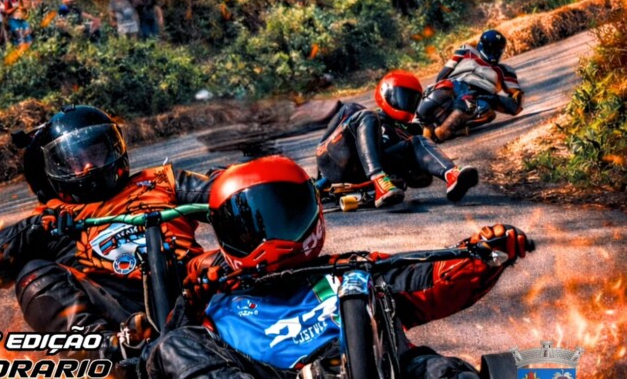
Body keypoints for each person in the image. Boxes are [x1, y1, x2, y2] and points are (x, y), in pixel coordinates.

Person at [147, 156, 530, 379]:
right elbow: (162, 354)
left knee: (440, 372)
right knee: (173, 345)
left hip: (384, 369)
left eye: (283, 215)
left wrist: (484, 256)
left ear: (311, 211)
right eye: (251, 225)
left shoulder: (352, 271)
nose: (268, 237)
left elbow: (427, 279)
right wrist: (189, 298)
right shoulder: (213, 296)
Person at [0, 105, 220, 378]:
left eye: (96, 153)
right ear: (56, 169)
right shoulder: (55, 216)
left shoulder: (160, 181)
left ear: (114, 147)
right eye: (75, 160)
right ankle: (111, 353)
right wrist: (37, 228)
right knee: (32, 273)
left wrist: (233, 180)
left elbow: (223, 192)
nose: (88, 166)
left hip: (196, 285)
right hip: (123, 314)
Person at [317, 70, 478, 206]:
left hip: (365, 174)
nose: (406, 103)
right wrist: (322, 180)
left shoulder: (406, 130)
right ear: (386, 93)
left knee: (418, 140)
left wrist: (405, 173)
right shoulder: (354, 110)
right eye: (402, 96)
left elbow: (420, 180)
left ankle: (452, 174)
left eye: (411, 100)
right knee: (367, 115)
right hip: (338, 161)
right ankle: (379, 181)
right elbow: (323, 146)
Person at [418, 29, 524, 142]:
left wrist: (493, 98)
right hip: (455, 85)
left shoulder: (505, 70)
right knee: (441, 90)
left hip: (476, 95)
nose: (494, 53)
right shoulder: (466, 50)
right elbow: (442, 76)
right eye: (491, 49)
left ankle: (443, 131)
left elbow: (515, 105)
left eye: (496, 50)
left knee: (487, 112)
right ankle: (427, 124)